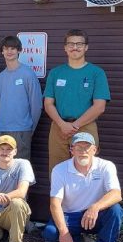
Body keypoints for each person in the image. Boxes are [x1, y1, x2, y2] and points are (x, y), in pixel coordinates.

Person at [42, 132, 123, 242]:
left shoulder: (106, 166)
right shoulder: (60, 169)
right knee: (50, 233)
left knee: (116, 210)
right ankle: (76, 238)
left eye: (87, 147)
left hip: (95, 216)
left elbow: (116, 194)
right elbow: (55, 204)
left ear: (95, 150)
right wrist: (64, 232)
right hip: (70, 215)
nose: (83, 151)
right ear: (71, 150)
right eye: (78, 147)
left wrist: (95, 207)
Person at [44, 29, 110, 173]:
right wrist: (62, 125)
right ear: (65, 47)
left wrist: (74, 126)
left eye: (79, 44)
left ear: (86, 47)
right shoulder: (55, 73)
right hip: (58, 127)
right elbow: (48, 104)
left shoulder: (96, 73)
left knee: (85, 169)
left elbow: (99, 107)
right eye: (71, 44)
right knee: (57, 170)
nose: (75, 47)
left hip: (85, 127)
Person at [0, 35, 42, 160]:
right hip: (1, 129)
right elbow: (2, 100)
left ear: (19, 50)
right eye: (6, 48)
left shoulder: (28, 74)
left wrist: (30, 128)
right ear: (2, 51)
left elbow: (36, 105)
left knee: (21, 166)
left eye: (13, 48)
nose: (9, 51)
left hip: (22, 130)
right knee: (3, 165)